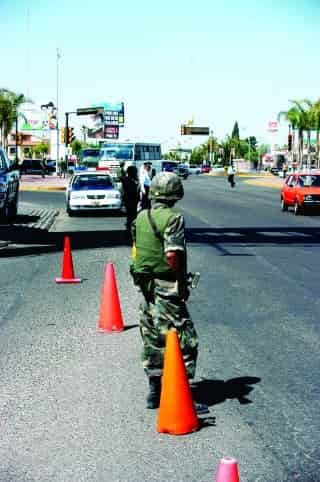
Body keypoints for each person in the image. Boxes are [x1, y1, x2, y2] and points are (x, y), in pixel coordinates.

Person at [130, 172, 207, 413]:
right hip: (166, 287)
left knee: (153, 338)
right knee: (184, 340)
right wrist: (181, 283)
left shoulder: (140, 217)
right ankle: (182, 395)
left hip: (146, 287)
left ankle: (155, 391)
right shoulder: (174, 219)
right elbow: (172, 254)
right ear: (175, 194)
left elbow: (136, 247)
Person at [122, 165, 140, 231]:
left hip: (129, 200)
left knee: (130, 214)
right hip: (131, 200)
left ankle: (130, 226)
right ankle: (130, 227)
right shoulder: (130, 181)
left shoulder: (127, 179)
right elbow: (133, 191)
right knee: (132, 215)